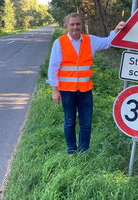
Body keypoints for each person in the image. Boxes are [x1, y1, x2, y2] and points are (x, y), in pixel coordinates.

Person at [46, 13, 125, 154]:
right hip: (67, 91)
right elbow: (53, 68)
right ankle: (71, 151)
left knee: (86, 124)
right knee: (69, 122)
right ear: (67, 26)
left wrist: (116, 30)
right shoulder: (60, 42)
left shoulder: (90, 40)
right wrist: (54, 90)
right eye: (72, 24)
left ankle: (83, 153)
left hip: (85, 91)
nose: (75, 27)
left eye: (78, 24)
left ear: (81, 25)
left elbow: (108, 42)